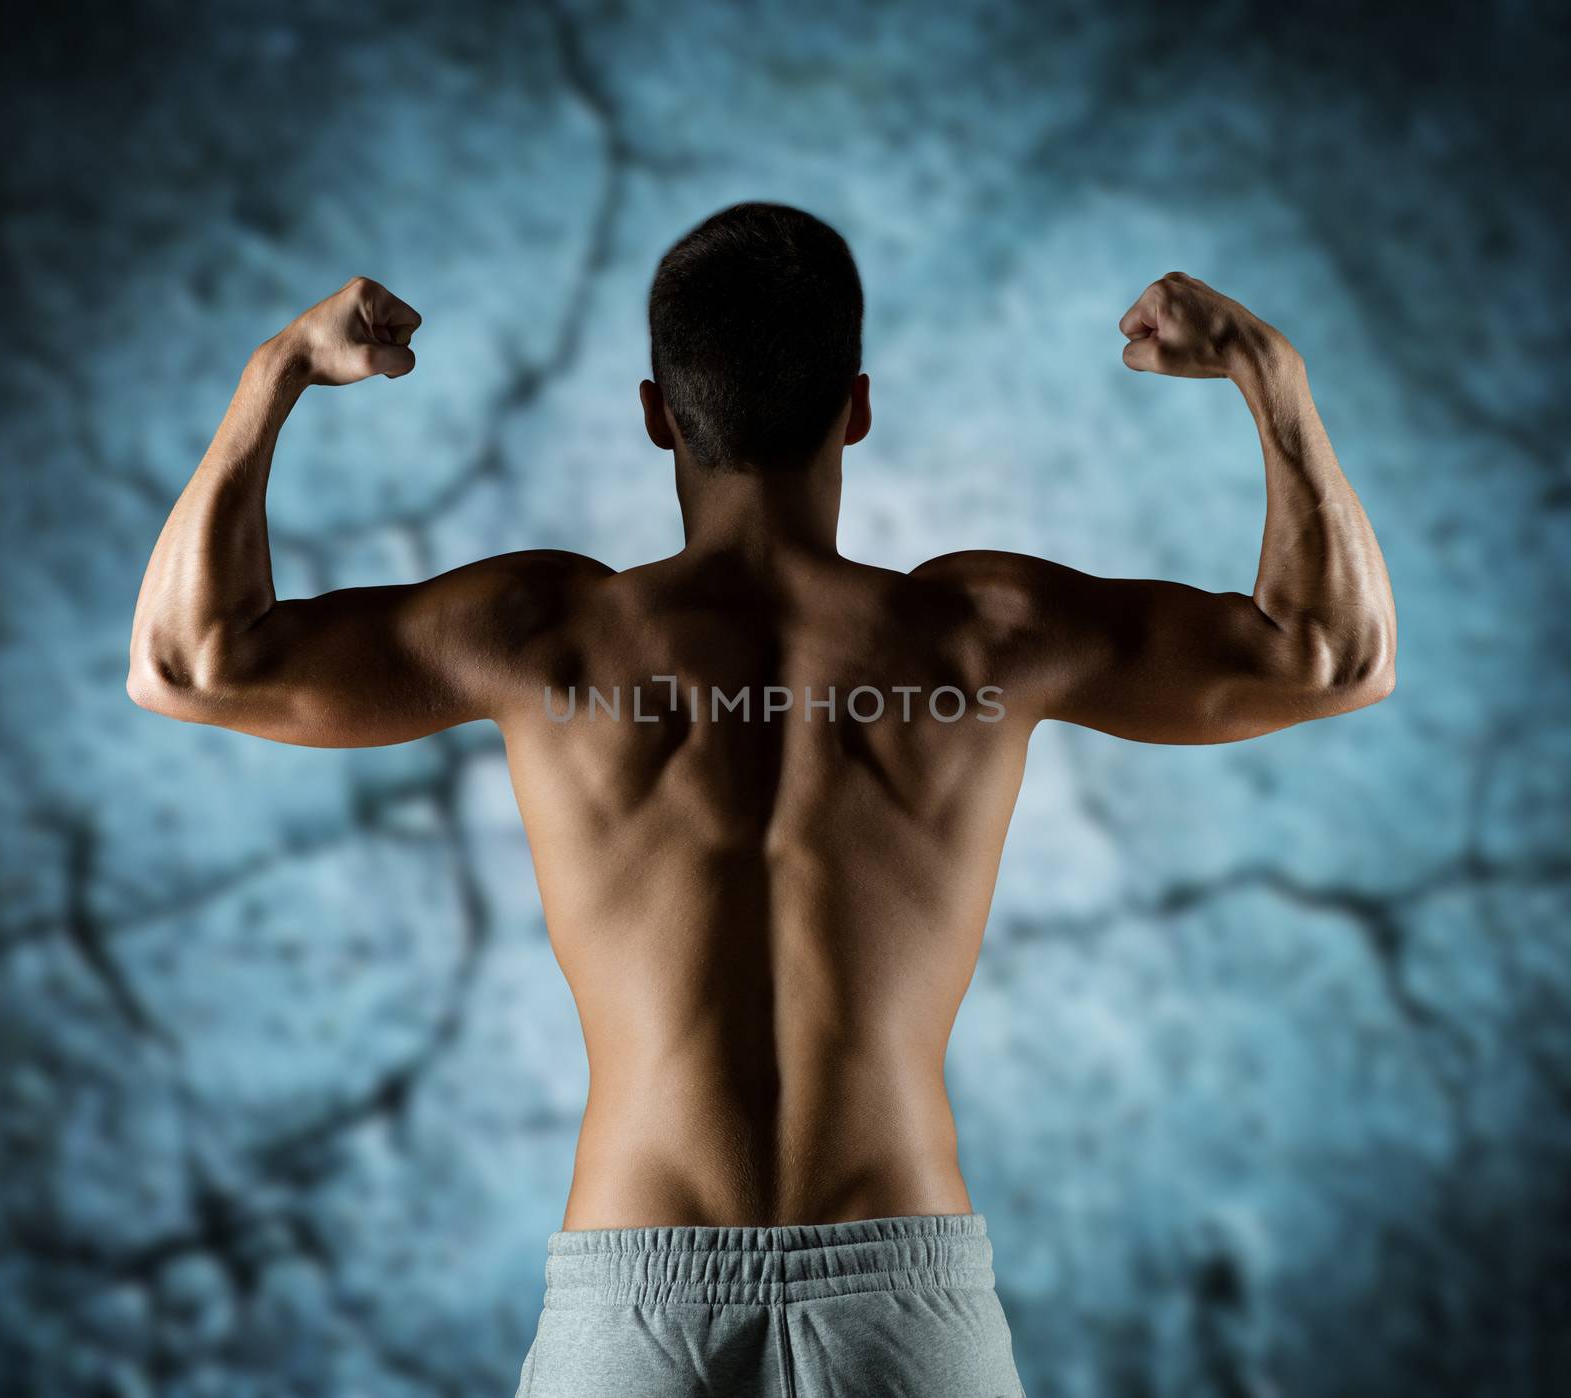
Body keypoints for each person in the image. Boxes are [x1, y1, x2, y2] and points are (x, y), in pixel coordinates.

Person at [127, 201, 1396, 1397]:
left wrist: (275, 374)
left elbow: (188, 663)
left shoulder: (547, 637)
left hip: (635, 1302)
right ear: (854, 411)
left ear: (655, 416)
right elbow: (1333, 657)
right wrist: (1265, 374)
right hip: (904, 1300)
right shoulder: (978, 636)